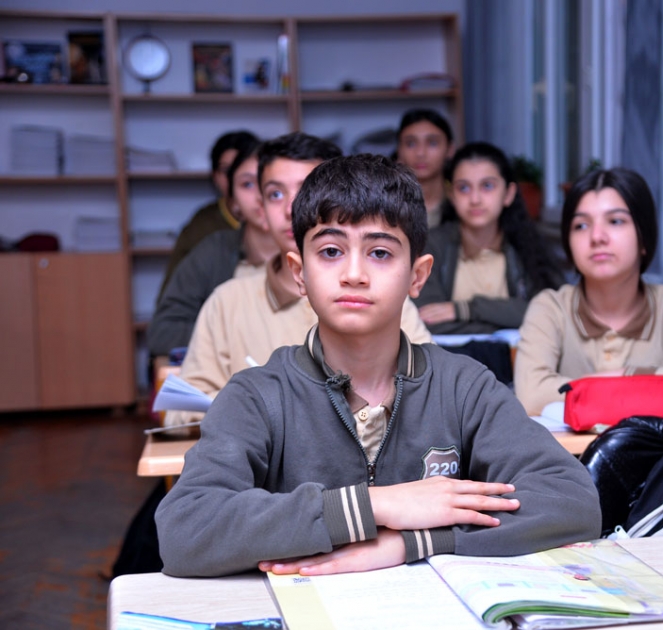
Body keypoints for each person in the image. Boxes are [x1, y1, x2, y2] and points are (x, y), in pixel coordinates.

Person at [155, 154, 601, 577]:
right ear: (299, 272)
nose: (354, 273)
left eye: (381, 253)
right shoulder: (257, 395)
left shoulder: (463, 387)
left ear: (418, 276)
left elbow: (572, 500)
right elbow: (185, 528)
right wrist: (375, 507)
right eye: (331, 251)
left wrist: (415, 542)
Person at [163, 132, 431, 427]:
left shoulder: (376, 297)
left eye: (305, 192)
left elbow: (425, 393)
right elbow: (181, 410)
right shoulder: (227, 302)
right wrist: (259, 406)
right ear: (261, 207)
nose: (291, 209)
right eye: (275, 194)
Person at [513, 168, 663, 415]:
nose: (597, 237)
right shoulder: (551, 308)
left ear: (644, 237)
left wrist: (623, 376)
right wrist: (650, 381)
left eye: (615, 221)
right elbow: (531, 396)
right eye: (581, 225)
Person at [414, 142, 565, 336]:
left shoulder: (528, 245)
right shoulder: (431, 245)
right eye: (463, 188)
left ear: (508, 194)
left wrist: (465, 310)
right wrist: (507, 323)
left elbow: (551, 313)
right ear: (451, 195)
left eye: (487, 186)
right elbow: (424, 320)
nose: (475, 199)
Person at [147, 139, 279, 356]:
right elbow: (163, 332)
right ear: (232, 200)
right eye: (248, 184)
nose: (261, 195)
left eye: (275, 187)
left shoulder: (316, 252)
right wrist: (235, 335)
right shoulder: (214, 250)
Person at [158, 130, 259, 298]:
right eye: (227, 170)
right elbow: (173, 295)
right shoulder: (201, 226)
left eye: (243, 170)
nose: (233, 177)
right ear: (215, 176)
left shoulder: (278, 220)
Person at [396, 108, 454, 227]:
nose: (420, 153)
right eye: (411, 143)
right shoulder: (385, 204)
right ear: (399, 150)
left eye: (432, 143)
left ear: (450, 149)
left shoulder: (460, 200)